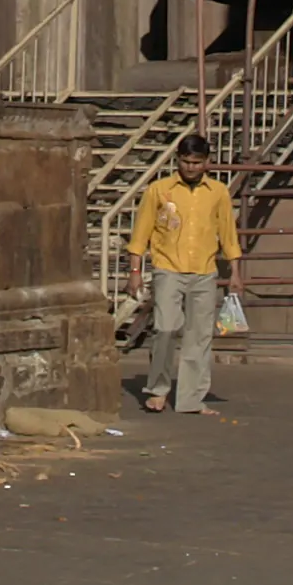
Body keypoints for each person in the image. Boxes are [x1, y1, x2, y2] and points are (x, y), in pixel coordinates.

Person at [127, 130, 241, 414]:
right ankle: (157, 389)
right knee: (165, 328)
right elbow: (141, 233)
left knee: (199, 336)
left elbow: (228, 233)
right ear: (178, 160)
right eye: (186, 161)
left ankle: (191, 399)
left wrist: (235, 271)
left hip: (204, 271)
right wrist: (135, 271)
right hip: (168, 269)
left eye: (197, 162)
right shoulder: (160, 190)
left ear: (207, 162)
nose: (191, 167)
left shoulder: (218, 192)